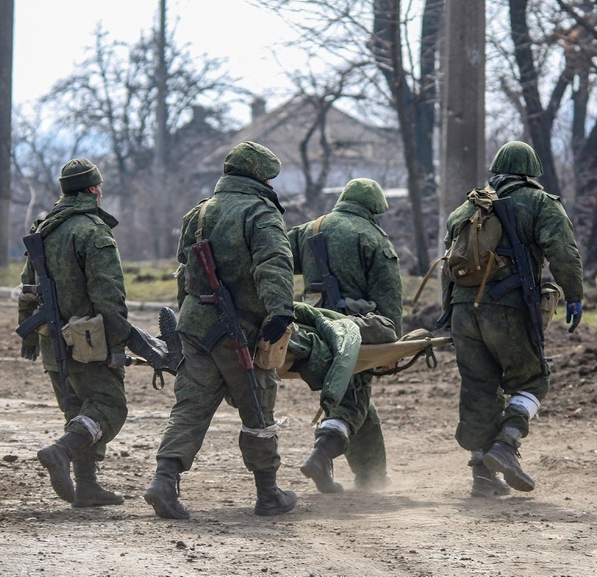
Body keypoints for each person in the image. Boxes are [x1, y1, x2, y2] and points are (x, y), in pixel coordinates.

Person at [143, 141, 297, 519]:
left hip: (195, 326)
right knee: (258, 408)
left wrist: (186, 320)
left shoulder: (197, 214)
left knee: (191, 406)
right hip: (239, 329)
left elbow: (184, 271)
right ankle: (268, 493)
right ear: (261, 177)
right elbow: (273, 262)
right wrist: (281, 310)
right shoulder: (260, 212)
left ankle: (164, 481)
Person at [442, 141, 583, 497]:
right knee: (532, 380)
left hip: (463, 312)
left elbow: (448, 264)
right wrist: (575, 294)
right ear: (531, 171)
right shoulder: (539, 202)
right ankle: (506, 445)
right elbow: (562, 252)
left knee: (479, 388)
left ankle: (482, 475)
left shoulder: (467, 207)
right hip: (506, 309)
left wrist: (448, 313)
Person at [18, 158, 146, 508]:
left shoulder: (43, 227)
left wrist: (29, 336)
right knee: (109, 406)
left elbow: (27, 288)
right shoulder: (92, 231)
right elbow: (109, 294)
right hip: (89, 341)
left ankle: (87, 486)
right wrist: (117, 344)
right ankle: (61, 451)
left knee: (80, 410)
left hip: (50, 339)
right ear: (93, 189)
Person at [288, 178, 403, 492]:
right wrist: (394, 349)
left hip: (312, 326)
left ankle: (371, 476)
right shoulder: (374, 238)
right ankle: (323, 450)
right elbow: (389, 299)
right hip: (353, 331)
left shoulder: (309, 230)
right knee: (355, 393)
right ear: (373, 209)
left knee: (357, 395)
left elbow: (276, 262)